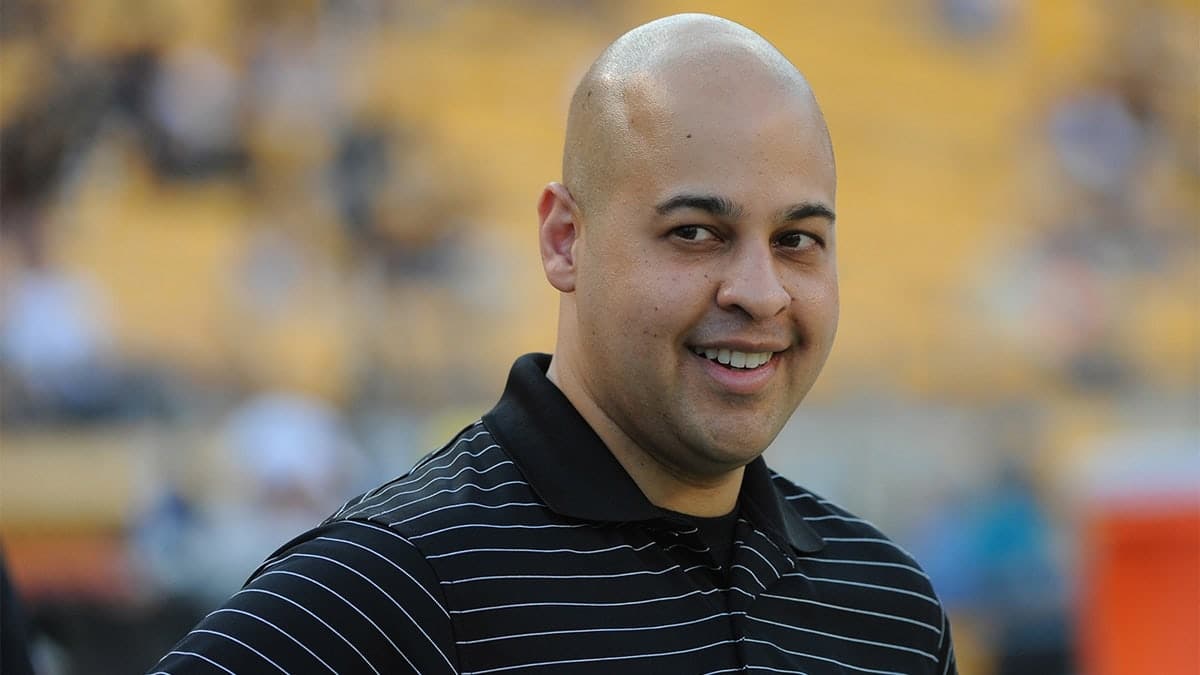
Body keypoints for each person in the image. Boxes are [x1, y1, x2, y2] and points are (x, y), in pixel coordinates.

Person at [149, 14, 957, 674]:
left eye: (797, 240)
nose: (761, 291)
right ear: (566, 239)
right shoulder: (394, 585)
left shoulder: (892, 608)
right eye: (695, 232)